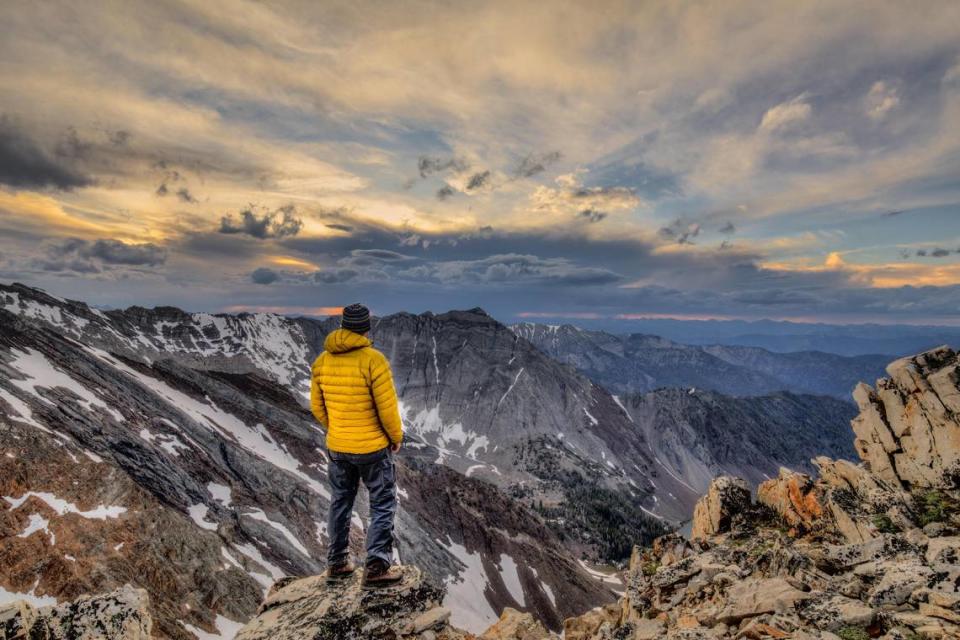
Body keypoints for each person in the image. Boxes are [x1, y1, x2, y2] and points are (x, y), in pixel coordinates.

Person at [310, 303, 405, 587]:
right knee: (382, 502)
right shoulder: (373, 360)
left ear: (343, 326)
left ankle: (337, 563)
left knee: (341, 501)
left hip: (338, 446)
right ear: (366, 327)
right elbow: (387, 409)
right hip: (372, 448)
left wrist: (336, 428)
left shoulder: (322, 361)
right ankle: (376, 567)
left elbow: (317, 406)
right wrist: (395, 438)